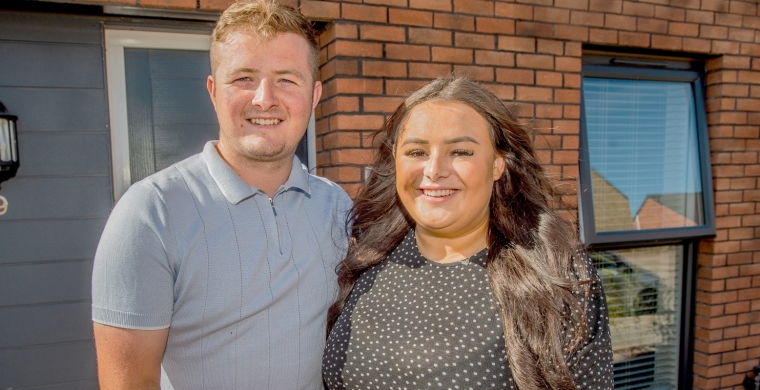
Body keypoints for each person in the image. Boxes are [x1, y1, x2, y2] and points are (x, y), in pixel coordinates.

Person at [91, 1, 352, 388]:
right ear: (214, 91)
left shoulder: (337, 207)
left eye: (286, 79)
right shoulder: (151, 212)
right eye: (244, 78)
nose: (265, 98)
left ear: (314, 96)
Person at [323, 76, 613, 389]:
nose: (434, 170)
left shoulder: (558, 280)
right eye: (417, 152)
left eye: (460, 151)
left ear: (497, 164)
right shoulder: (368, 259)